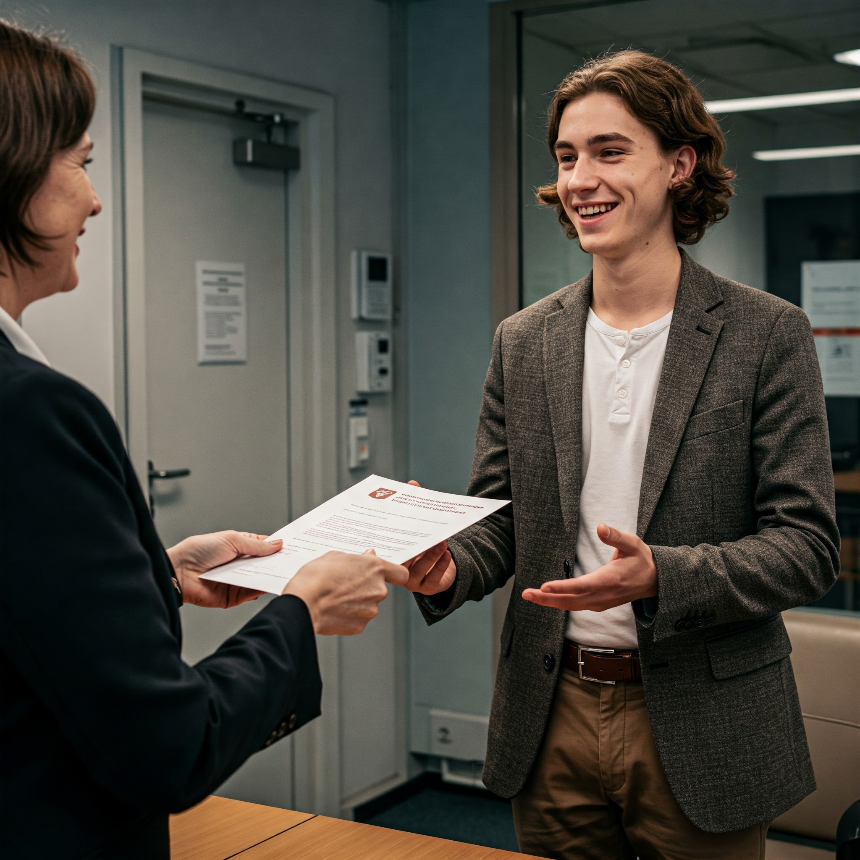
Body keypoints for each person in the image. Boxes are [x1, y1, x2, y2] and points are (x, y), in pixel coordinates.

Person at [404, 50, 839, 859]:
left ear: (680, 165)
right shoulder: (524, 340)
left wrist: (662, 576)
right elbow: (501, 516)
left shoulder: (765, 333)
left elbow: (807, 548)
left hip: (703, 714)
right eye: (567, 156)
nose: (580, 180)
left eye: (610, 151)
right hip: (552, 708)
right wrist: (448, 564)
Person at [0, 20, 408, 860]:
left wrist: (164, 577)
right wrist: (302, 613)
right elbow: (167, 747)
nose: (95, 200)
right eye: (80, 162)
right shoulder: (31, 413)